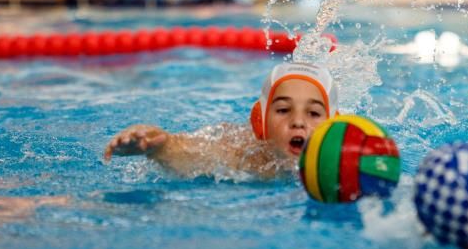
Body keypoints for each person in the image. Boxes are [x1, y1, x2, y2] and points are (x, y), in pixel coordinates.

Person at [103, 61, 337, 178]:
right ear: (260, 122)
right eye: (283, 110)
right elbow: (187, 152)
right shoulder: (243, 156)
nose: (298, 122)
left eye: (314, 113)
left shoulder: (343, 163)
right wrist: (155, 145)